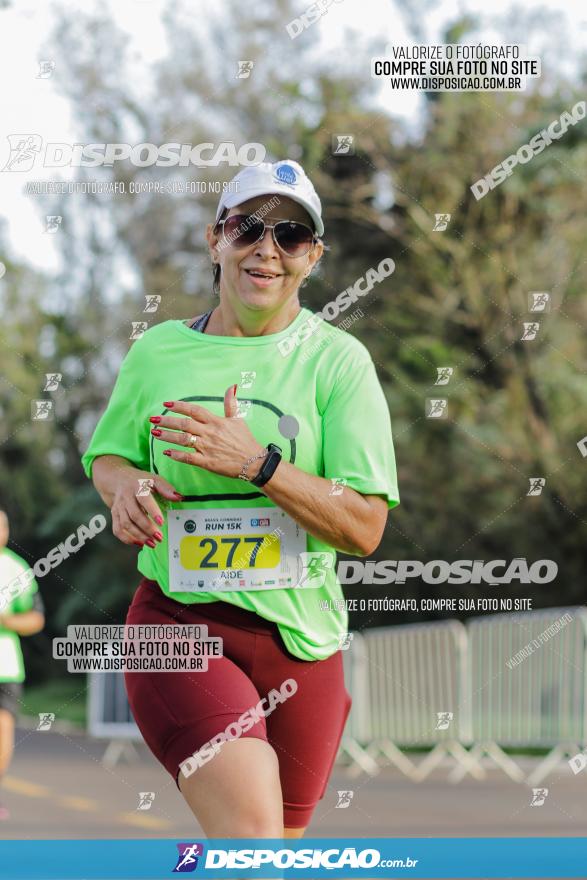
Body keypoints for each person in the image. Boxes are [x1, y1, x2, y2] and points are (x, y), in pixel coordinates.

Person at [81, 159, 400, 839]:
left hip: (302, 640)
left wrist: (258, 464)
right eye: (247, 227)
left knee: (272, 857)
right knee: (249, 834)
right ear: (215, 239)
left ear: (311, 258)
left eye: (290, 236)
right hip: (178, 623)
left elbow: (364, 526)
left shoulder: (337, 362)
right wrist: (125, 487)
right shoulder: (158, 352)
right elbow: (108, 458)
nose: (267, 249)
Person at [0, 510, 45, 821]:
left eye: (2, 525)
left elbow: (36, 618)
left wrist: (6, 620)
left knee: (2, 735)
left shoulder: (17, 567)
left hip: (6, 667)